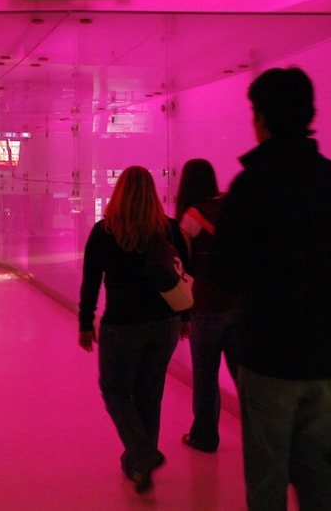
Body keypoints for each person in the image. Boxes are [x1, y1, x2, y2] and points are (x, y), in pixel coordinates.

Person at [211, 67, 331, 510]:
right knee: (319, 471)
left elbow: (226, 274)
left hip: (271, 358)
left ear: (260, 117)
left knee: (267, 478)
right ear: (308, 114)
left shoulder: (251, 186)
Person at [78, 165, 191, 494]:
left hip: (123, 326)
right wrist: (185, 319)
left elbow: (91, 282)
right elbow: (183, 275)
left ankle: (141, 453)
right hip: (165, 324)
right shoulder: (168, 229)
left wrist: (86, 323)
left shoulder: (105, 232)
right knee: (149, 393)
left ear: (120, 192)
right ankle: (140, 467)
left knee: (115, 391)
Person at [175, 158, 240, 454]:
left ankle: (205, 437)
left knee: (205, 374)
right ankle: (262, 437)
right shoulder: (233, 205)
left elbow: (183, 269)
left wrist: (182, 314)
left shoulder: (191, 216)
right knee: (245, 377)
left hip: (206, 306)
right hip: (240, 304)